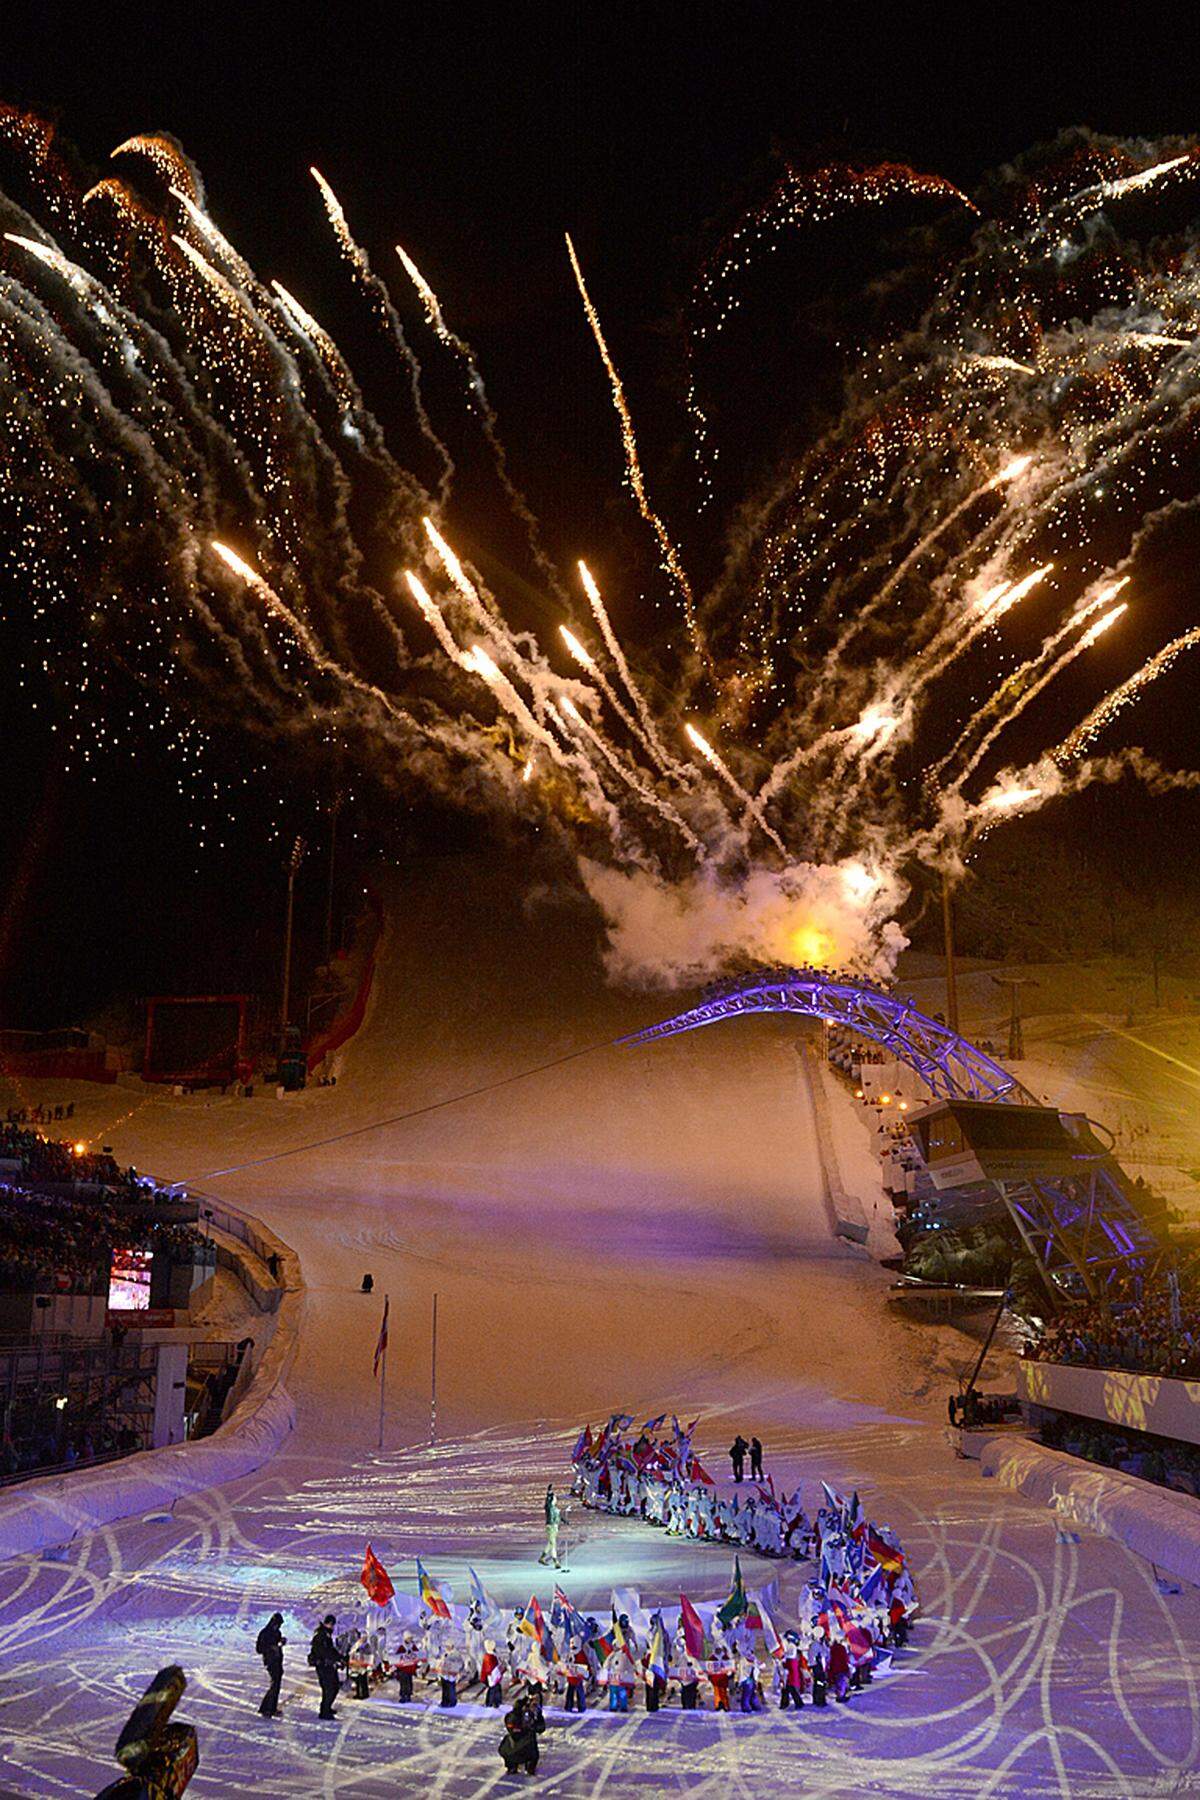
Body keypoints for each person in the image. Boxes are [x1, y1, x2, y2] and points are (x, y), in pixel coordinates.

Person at [499, 1690, 545, 1775]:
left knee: (507, 1746)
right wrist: (538, 1716)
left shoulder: (511, 1717)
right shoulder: (528, 1717)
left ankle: (512, 1767)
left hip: (511, 1750)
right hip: (526, 1750)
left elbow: (510, 1721)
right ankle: (529, 1768)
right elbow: (541, 1728)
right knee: (531, 1749)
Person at [309, 1614, 343, 1720]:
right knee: (329, 1688)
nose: (332, 1627)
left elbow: (330, 1649)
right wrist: (335, 1658)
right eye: (331, 1624)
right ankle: (324, 1711)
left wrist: (339, 1657)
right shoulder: (321, 1635)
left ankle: (327, 1707)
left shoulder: (326, 1634)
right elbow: (323, 1651)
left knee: (334, 1686)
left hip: (329, 1665)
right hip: (323, 1665)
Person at [256, 1613, 286, 1718]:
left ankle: (271, 1708)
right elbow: (259, 1649)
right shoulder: (264, 1633)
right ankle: (266, 1708)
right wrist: (270, 1648)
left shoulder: (277, 1632)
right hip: (270, 1661)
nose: (278, 1626)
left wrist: (281, 1642)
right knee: (274, 1685)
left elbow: (278, 1645)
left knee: (276, 1685)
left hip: (278, 1660)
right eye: (277, 1624)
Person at [540, 1483, 563, 1568]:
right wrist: (549, 1492)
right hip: (550, 1527)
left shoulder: (555, 1509)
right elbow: (548, 1501)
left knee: (550, 1543)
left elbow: (559, 1517)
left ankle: (542, 1558)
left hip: (555, 1527)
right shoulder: (549, 1507)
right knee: (553, 1544)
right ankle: (556, 1561)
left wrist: (564, 1521)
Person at [394, 1635, 420, 1702]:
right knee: (403, 1682)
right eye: (409, 1638)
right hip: (403, 1668)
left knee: (409, 1682)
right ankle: (403, 1695)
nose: (410, 1639)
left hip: (410, 1668)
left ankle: (408, 1695)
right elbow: (397, 1656)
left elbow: (417, 1655)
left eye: (411, 1638)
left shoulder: (413, 1646)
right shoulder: (402, 1646)